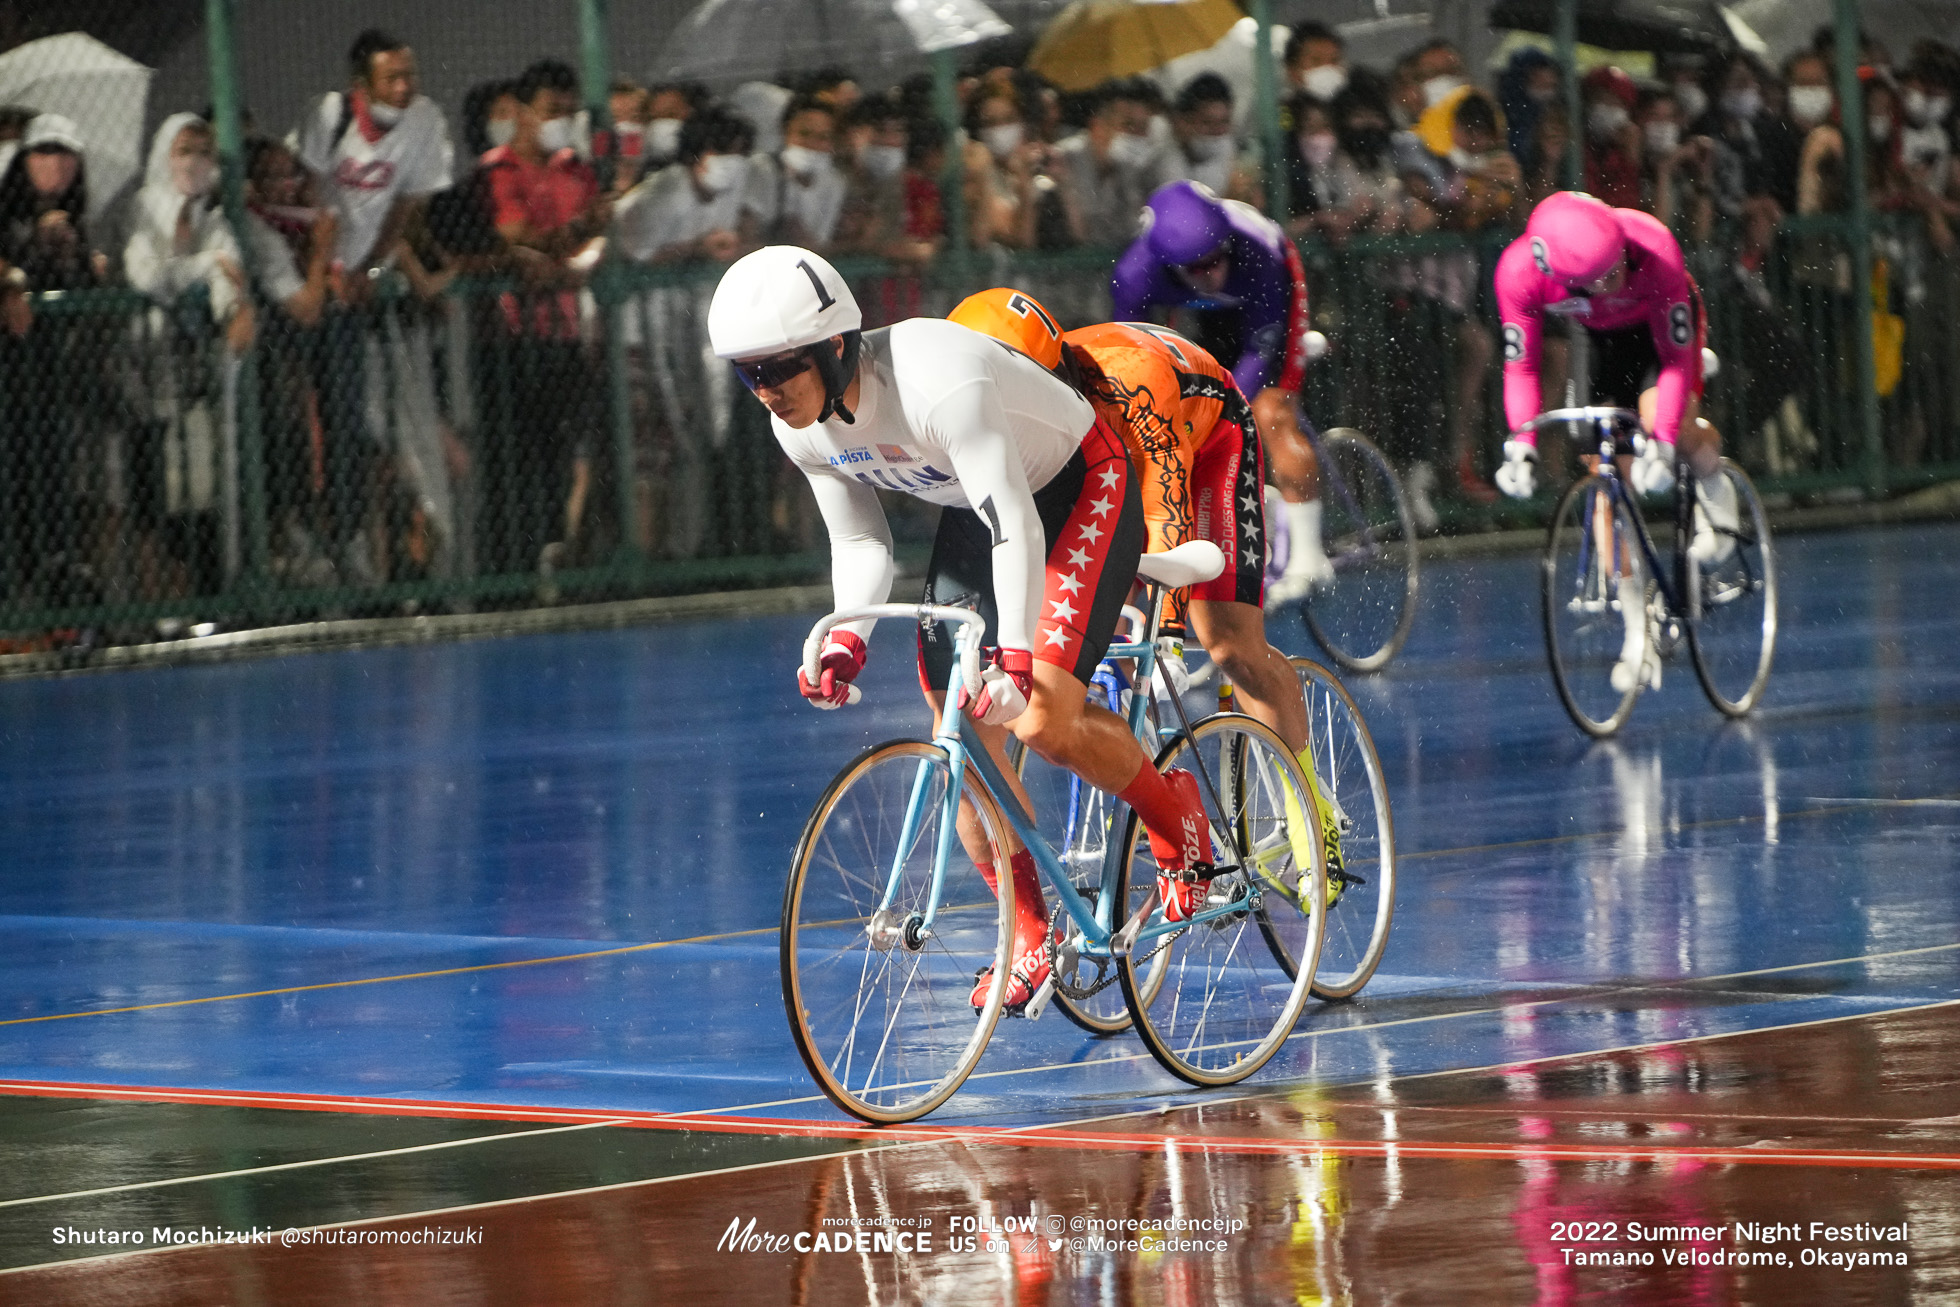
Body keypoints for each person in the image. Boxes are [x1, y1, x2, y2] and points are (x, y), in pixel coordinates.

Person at [708, 246, 1221, 1011]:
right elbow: (860, 544)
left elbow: (1014, 518)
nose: (766, 392)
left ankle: (1179, 825)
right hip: (980, 508)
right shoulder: (801, 428)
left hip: (1078, 483)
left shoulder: (933, 377)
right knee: (956, 716)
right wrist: (849, 637)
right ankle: (1029, 931)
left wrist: (1016, 657)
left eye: (778, 369)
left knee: (1043, 714)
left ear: (834, 345)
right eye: (749, 374)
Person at [949, 288, 1347, 883]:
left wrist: (1166, 630)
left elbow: (1166, 516)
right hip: (1100, 457)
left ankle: (1314, 816)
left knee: (1229, 646)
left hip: (1204, 441)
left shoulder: (1129, 384)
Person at [1493, 191, 1737, 693]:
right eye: (1602, 278)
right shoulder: (1518, 274)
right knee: (1605, 475)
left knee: (1659, 416)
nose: (1616, 279)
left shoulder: (1653, 248)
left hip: (1658, 332)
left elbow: (1672, 361)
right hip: (1594, 337)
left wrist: (1665, 439)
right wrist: (1521, 442)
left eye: (1617, 266)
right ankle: (1636, 631)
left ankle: (1715, 482)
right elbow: (1522, 365)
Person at [1110, 180, 1332, 602]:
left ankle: (1309, 555)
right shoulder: (1134, 277)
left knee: (1270, 413)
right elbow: (1132, 358)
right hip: (1192, 313)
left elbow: (1259, 348)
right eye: (1198, 268)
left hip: (1264, 297)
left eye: (1217, 260)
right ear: (1169, 264)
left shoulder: (1257, 254)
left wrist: (1223, 412)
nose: (1211, 272)